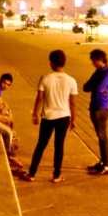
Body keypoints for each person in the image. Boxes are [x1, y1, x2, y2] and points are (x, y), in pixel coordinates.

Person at [21, 50, 77, 183]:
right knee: (59, 146)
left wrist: (35, 113)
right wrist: (74, 119)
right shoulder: (71, 81)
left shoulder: (45, 78)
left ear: (51, 63)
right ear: (64, 62)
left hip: (48, 117)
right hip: (64, 117)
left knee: (41, 144)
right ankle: (56, 175)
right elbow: (73, 103)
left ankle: (32, 174)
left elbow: (39, 98)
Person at [83, 49, 108, 176]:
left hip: (101, 108)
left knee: (102, 137)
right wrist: (94, 86)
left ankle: (106, 165)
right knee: (100, 136)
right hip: (94, 106)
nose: (92, 63)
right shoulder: (98, 72)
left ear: (100, 60)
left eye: (93, 61)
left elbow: (99, 88)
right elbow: (86, 87)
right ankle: (102, 162)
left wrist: (94, 86)